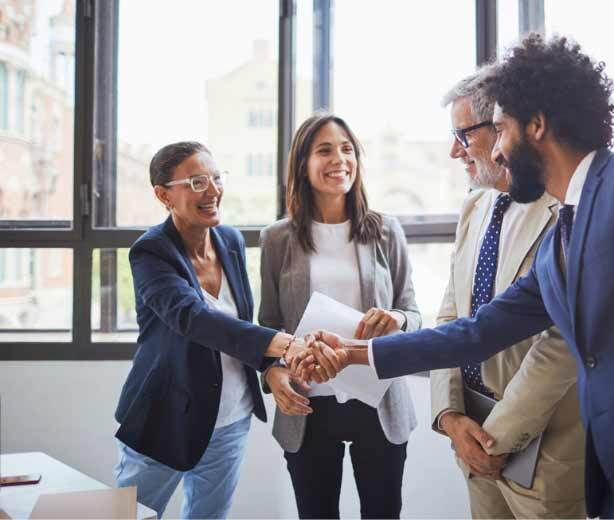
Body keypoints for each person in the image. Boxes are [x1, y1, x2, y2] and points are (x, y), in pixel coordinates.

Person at [296, 34, 614, 518]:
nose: (494, 151)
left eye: (502, 129)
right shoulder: (564, 232)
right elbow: (476, 332)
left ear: (536, 125)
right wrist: (352, 355)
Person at [114, 141, 300, 519]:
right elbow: (191, 317)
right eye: (197, 181)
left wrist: (270, 365)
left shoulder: (229, 240)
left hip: (230, 420)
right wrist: (276, 343)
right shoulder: (151, 252)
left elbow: (240, 324)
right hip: (165, 419)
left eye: (216, 178)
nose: (213, 190)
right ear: (163, 195)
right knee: (128, 516)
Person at [431, 71, 585, 518]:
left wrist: (495, 437)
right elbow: (450, 316)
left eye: (464, 135)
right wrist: (449, 416)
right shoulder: (474, 205)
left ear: (504, 127)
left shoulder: (564, 210)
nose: (454, 151)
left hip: (543, 450)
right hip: (470, 434)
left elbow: (561, 345)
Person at [259, 113, 421, 519]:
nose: (340, 159)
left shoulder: (386, 230)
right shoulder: (277, 238)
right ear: (303, 163)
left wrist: (397, 320)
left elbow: (414, 314)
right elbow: (267, 326)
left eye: (347, 149)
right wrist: (273, 372)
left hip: (378, 401)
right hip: (308, 403)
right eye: (325, 150)